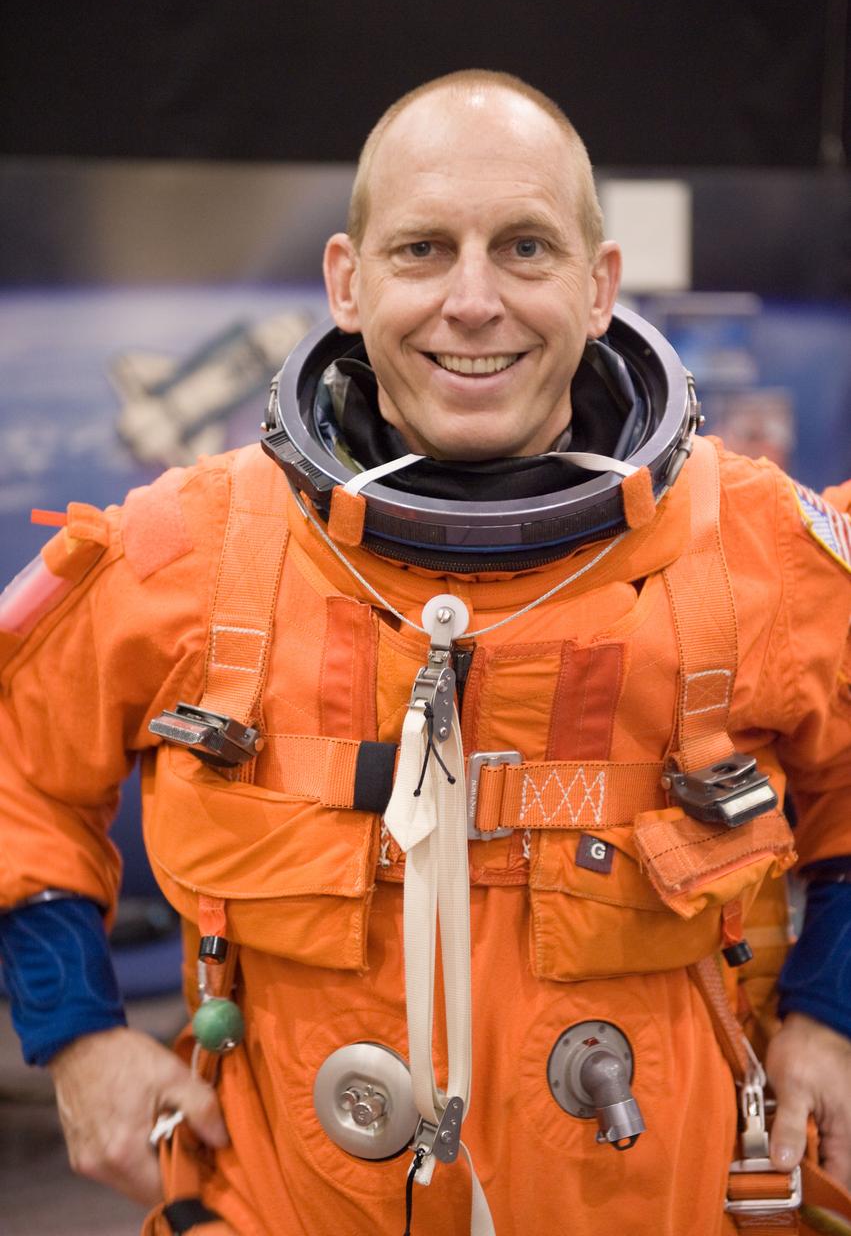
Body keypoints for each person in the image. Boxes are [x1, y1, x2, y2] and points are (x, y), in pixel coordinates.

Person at [0, 69, 849, 1236]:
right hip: (288, 1195)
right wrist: (77, 1036)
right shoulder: (192, 552)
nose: (472, 300)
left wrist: (829, 1011)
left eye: (524, 248)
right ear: (347, 282)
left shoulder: (754, 551)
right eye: (421, 250)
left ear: (599, 286)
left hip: (656, 1192)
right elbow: (20, 772)